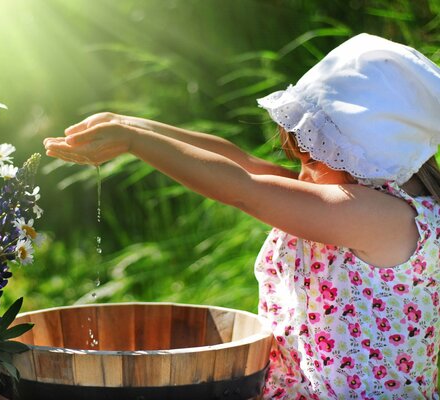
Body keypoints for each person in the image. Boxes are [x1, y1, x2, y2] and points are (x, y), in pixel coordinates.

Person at [43, 33, 440, 398]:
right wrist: (129, 123)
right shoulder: (350, 199)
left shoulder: (379, 217)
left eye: (311, 159)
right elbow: (240, 161)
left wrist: (135, 142)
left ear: (361, 153)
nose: (301, 174)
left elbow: (241, 188)